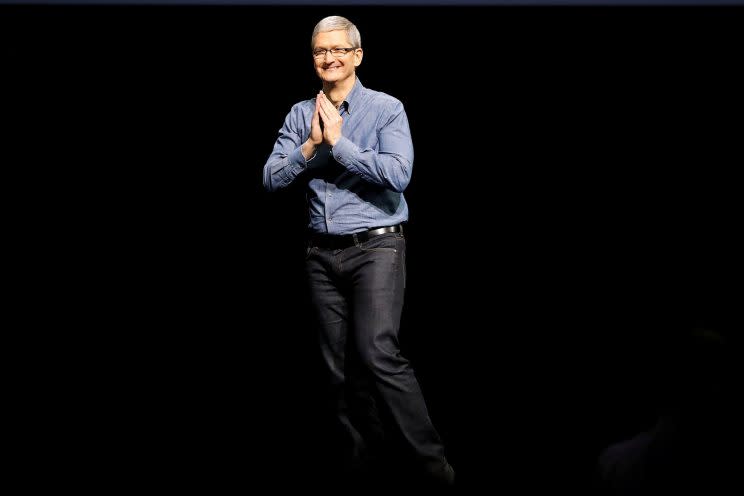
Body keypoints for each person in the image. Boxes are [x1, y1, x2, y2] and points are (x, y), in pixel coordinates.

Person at [262, 15, 454, 488]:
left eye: (338, 51)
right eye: (319, 52)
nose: (329, 59)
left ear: (357, 56)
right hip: (320, 254)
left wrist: (339, 145)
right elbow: (269, 179)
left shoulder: (386, 109)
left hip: (377, 247)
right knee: (337, 370)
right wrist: (309, 145)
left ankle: (433, 469)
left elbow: (398, 174)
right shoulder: (298, 114)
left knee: (376, 353)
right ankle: (361, 468)